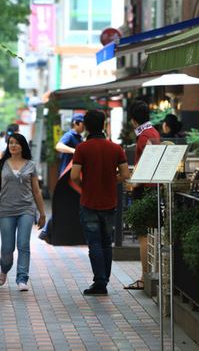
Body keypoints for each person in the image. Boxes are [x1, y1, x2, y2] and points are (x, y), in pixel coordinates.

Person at [70, 110, 130, 295]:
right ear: (103, 125)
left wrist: (85, 184)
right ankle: (104, 279)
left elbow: (74, 176)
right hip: (110, 202)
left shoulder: (82, 148)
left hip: (89, 201)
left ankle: (100, 282)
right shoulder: (115, 148)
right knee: (106, 242)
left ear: (86, 126)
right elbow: (126, 175)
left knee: (94, 244)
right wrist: (113, 180)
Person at [0, 133, 46, 291]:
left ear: (22, 146)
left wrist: (42, 213)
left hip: (26, 209)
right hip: (5, 210)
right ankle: (4, 269)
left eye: (16, 143)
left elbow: (36, 191)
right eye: (10, 143)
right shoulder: (1, 164)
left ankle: (22, 278)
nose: (13, 145)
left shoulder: (30, 165)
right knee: (7, 248)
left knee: (23, 244)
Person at [125, 100, 160, 290]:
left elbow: (148, 162)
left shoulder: (145, 135)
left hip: (145, 190)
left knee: (143, 235)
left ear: (133, 119)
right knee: (147, 234)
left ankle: (145, 278)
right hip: (150, 188)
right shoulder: (152, 132)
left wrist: (134, 182)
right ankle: (145, 276)